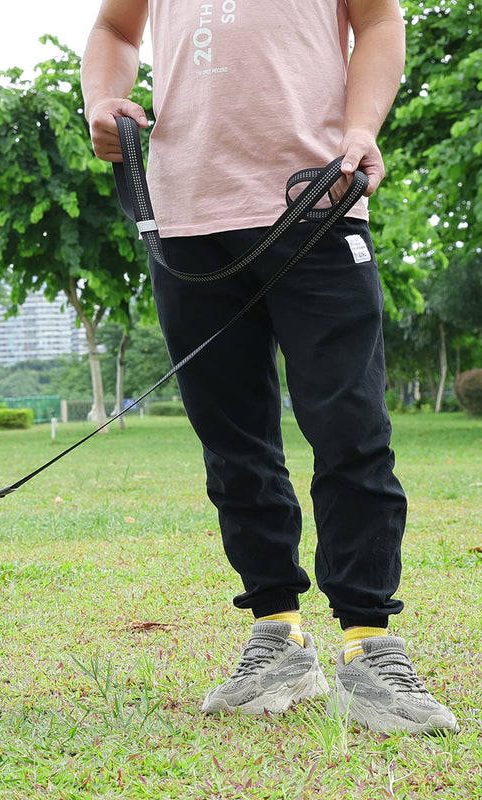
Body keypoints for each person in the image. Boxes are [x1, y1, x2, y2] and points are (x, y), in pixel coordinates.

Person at [81, 0, 457, 734]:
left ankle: (369, 644)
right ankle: (278, 635)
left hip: (317, 197)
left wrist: (361, 128)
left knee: (350, 428)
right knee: (234, 443)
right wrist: (102, 100)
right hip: (187, 219)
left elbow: (379, 21)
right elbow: (114, 30)